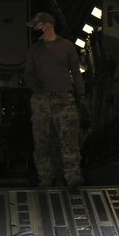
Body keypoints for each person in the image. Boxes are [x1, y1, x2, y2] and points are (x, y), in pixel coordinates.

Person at [23, 12, 85, 188]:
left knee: (69, 138)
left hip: (64, 98)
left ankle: (72, 175)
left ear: (47, 25)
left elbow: (75, 71)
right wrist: (37, 88)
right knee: (42, 141)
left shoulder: (66, 46)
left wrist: (81, 94)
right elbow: (27, 74)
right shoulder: (34, 49)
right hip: (41, 100)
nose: (34, 30)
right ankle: (46, 177)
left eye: (36, 26)